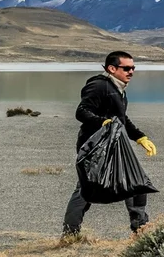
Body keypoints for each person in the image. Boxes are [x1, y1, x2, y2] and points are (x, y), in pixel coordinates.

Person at [62, 51, 157, 237]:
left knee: (135, 182)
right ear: (112, 68)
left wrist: (140, 137)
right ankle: (69, 234)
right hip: (95, 146)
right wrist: (102, 122)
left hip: (115, 145)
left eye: (133, 68)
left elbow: (122, 118)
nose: (131, 72)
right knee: (85, 189)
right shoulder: (99, 86)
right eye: (127, 68)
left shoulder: (117, 88)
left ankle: (140, 230)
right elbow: (81, 111)